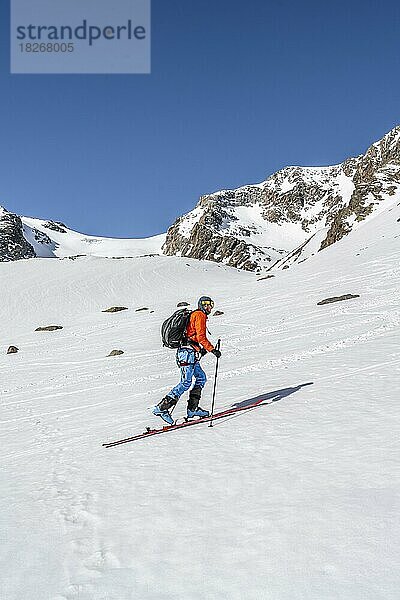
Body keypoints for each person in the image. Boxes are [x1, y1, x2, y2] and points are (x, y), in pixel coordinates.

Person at [153, 296, 221, 424]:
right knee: (185, 382)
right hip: (186, 353)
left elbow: (193, 335)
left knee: (201, 377)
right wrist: (212, 350)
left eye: (210, 305)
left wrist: (200, 350)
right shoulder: (199, 315)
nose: (208, 307)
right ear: (200, 305)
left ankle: (192, 409)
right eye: (205, 304)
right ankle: (161, 408)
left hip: (190, 352)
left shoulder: (197, 315)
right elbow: (201, 337)